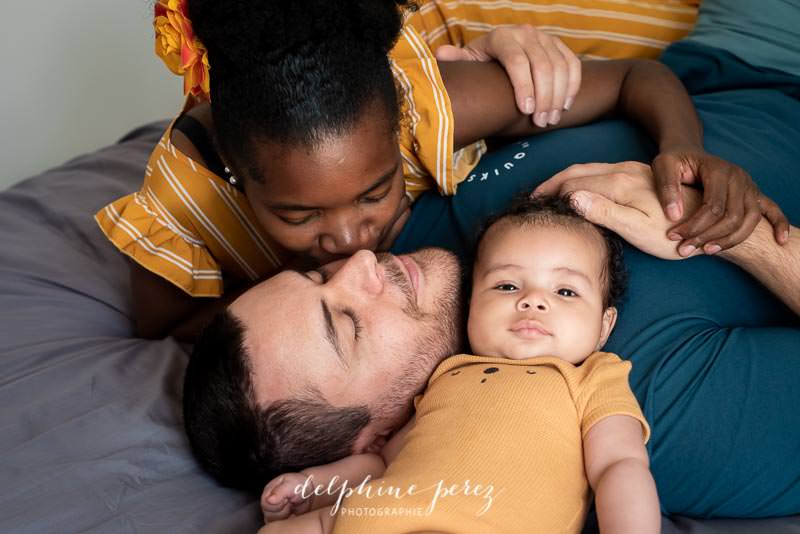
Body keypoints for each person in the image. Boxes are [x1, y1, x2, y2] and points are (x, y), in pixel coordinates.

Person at [94, 0, 787, 341]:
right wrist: (302, 288)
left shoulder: (419, 102)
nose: (349, 237)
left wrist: (683, 152)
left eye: (375, 192)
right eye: (298, 216)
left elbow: (639, 75)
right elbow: (165, 324)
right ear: (239, 174)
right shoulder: (179, 202)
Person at [183, 163, 800, 518]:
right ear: (370, 433)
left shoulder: (413, 218)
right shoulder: (662, 406)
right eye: (348, 324)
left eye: (320, 275)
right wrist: (723, 230)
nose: (363, 261)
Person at [256, 195, 659, 534]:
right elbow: (383, 463)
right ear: (471, 304)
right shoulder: (447, 375)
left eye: (566, 291)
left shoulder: (592, 378)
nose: (534, 301)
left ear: (604, 325)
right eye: (506, 285)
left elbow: (618, 465)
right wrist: (312, 485)